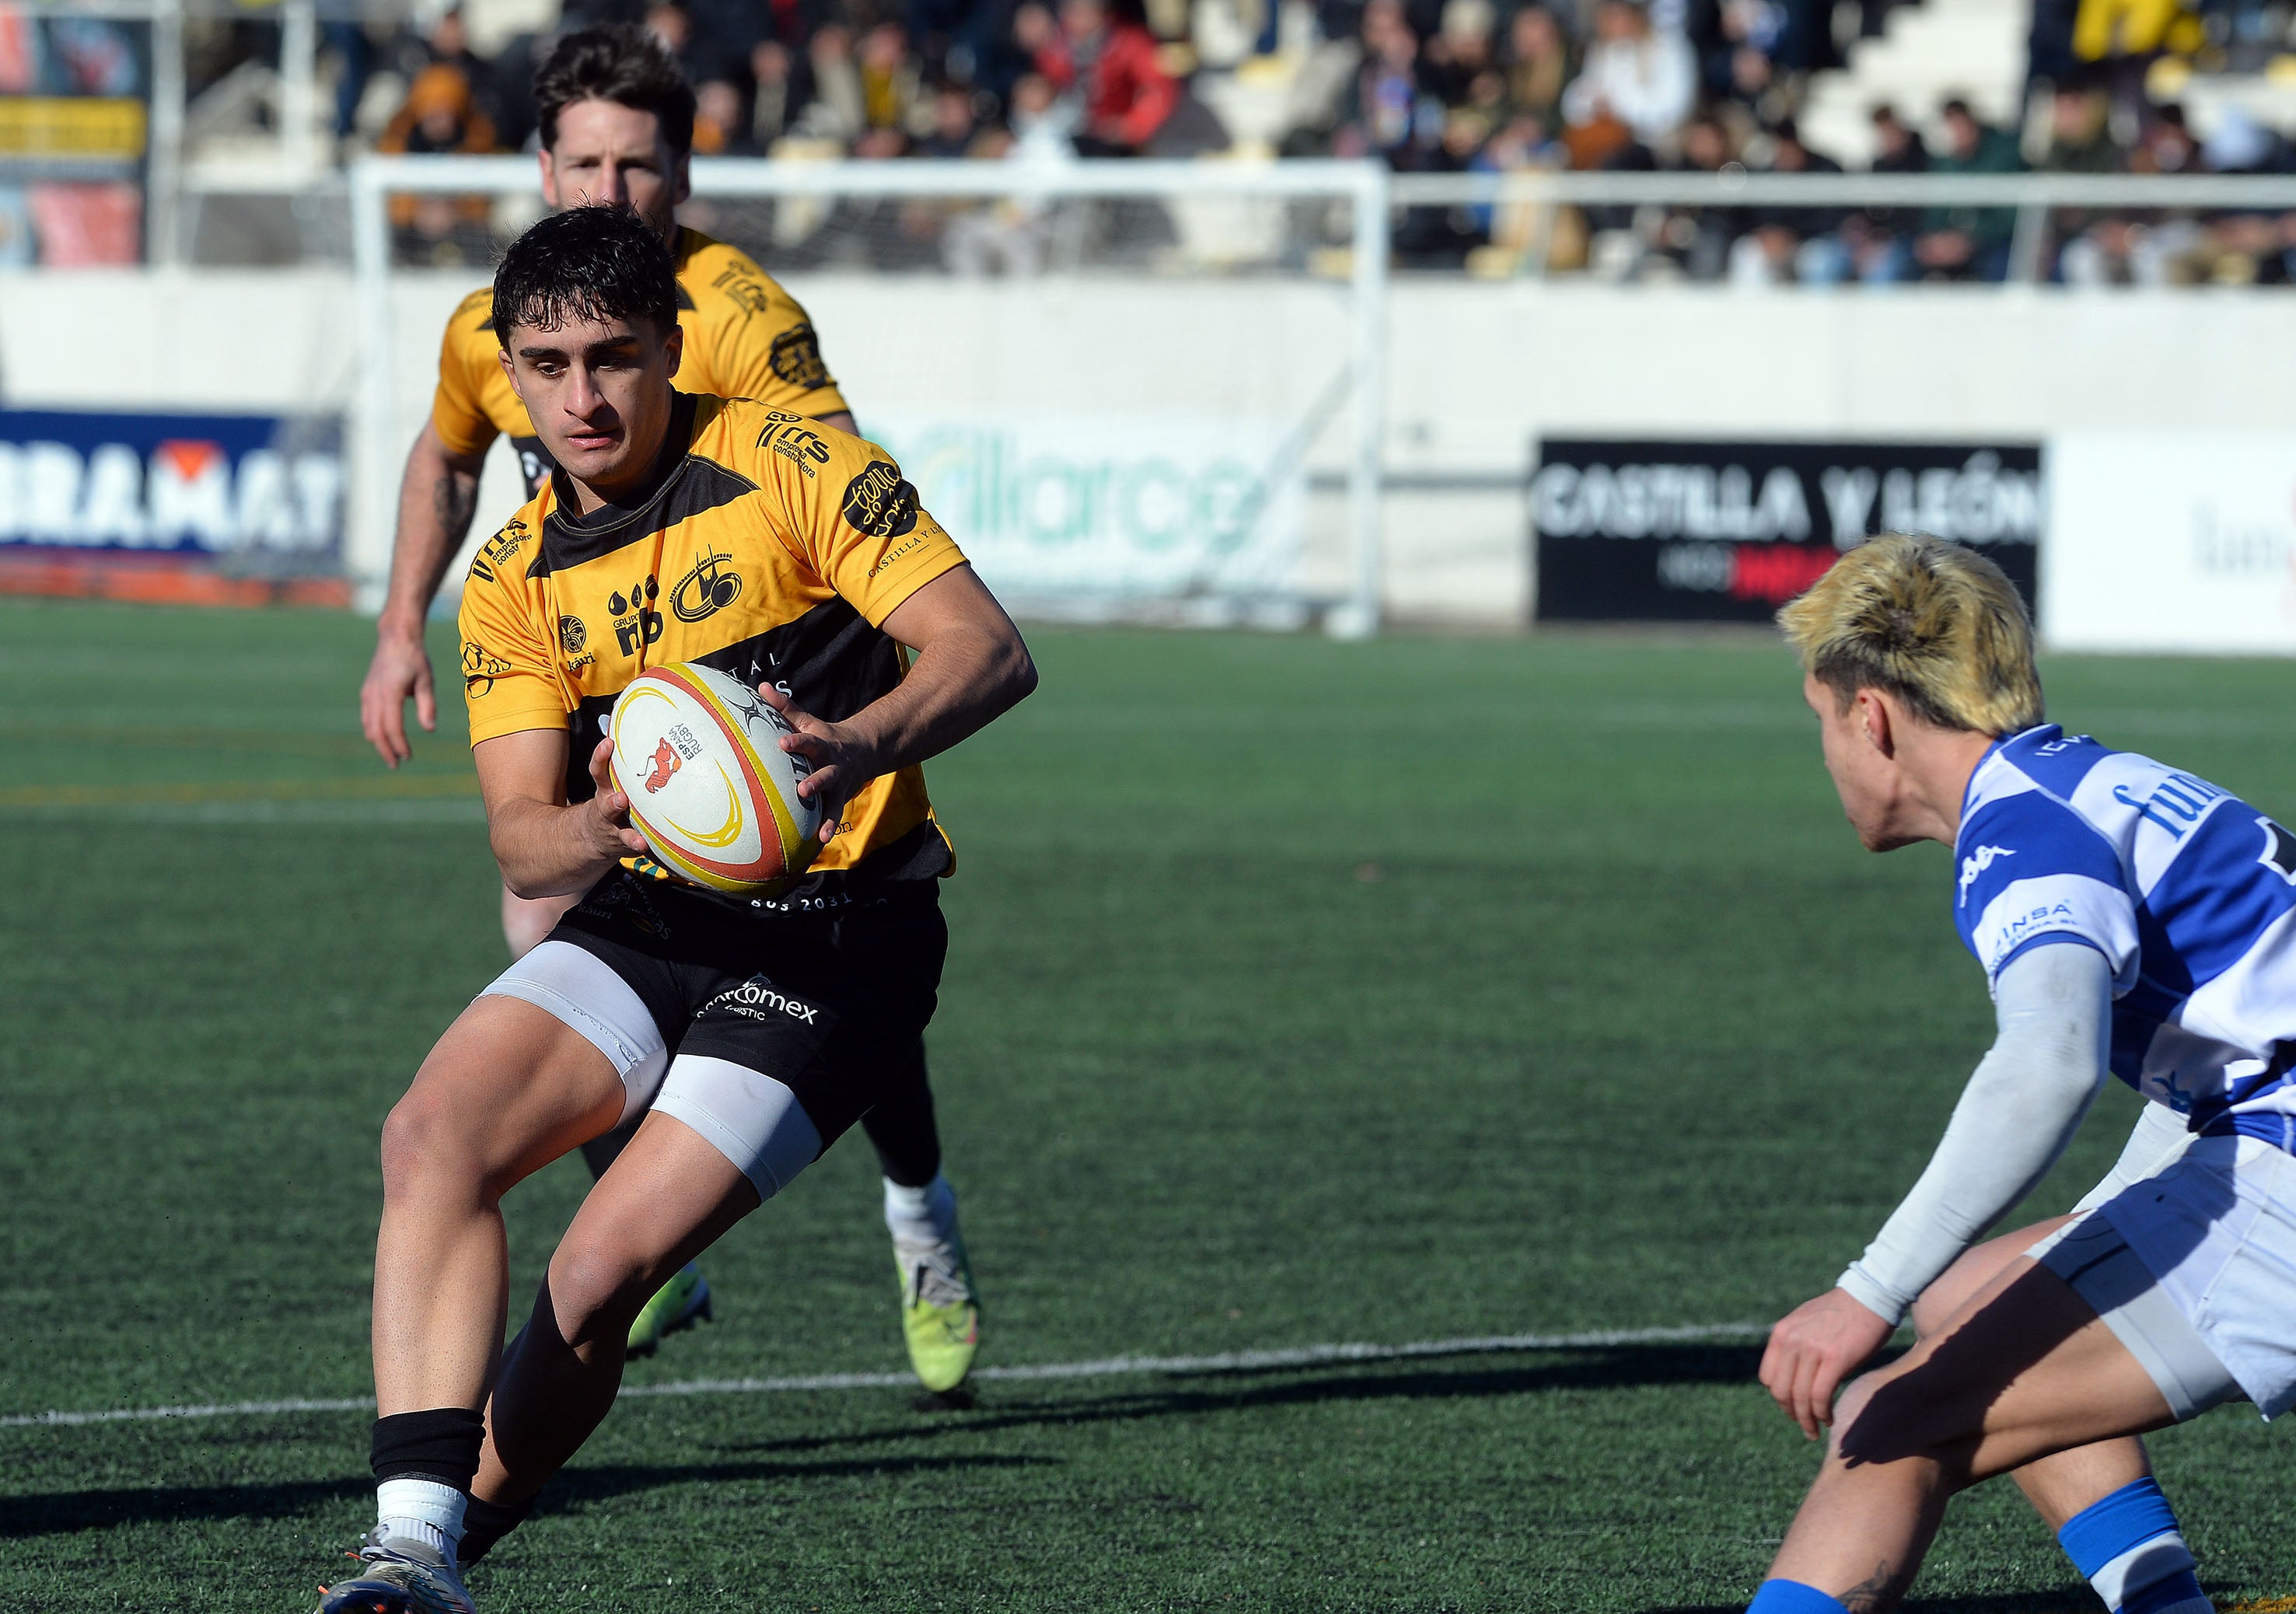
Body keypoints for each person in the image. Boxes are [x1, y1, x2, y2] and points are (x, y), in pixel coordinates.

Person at [315, 203, 1038, 1614]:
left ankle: (442, 1554)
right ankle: (407, 1554)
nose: (580, 397)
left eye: (612, 357)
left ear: (669, 347)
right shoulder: (515, 572)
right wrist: (601, 820)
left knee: (600, 1272)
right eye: (545, 365)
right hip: (649, 919)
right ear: (506, 371)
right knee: (432, 1135)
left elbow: (988, 652)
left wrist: (857, 744)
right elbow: (528, 848)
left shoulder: (790, 459)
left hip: (844, 940)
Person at [355, 23, 987, 1391]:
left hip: (772, 691)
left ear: (683, 171)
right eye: (582, 162)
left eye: (636, 166)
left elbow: (820, 495)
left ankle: (915, 1205)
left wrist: (820, 733)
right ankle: (654, 1246)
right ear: (542, 165)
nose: (607, 192)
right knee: (540, 914)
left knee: (831, 939)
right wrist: (405, 620)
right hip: (596, 677)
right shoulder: (496, 320)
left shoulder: (743, 323)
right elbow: (445, 453)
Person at [1743, 533, 2296, 1614]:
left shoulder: (2021, 835)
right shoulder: (2091, 782)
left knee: (1886, 1423)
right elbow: (2235, 1034)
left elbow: (2047, 1063)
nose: (1827, 757)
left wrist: (1861, 1294)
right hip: (2256, 1132)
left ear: (1871, 715)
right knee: (1968, 1299)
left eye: (1819, 724)